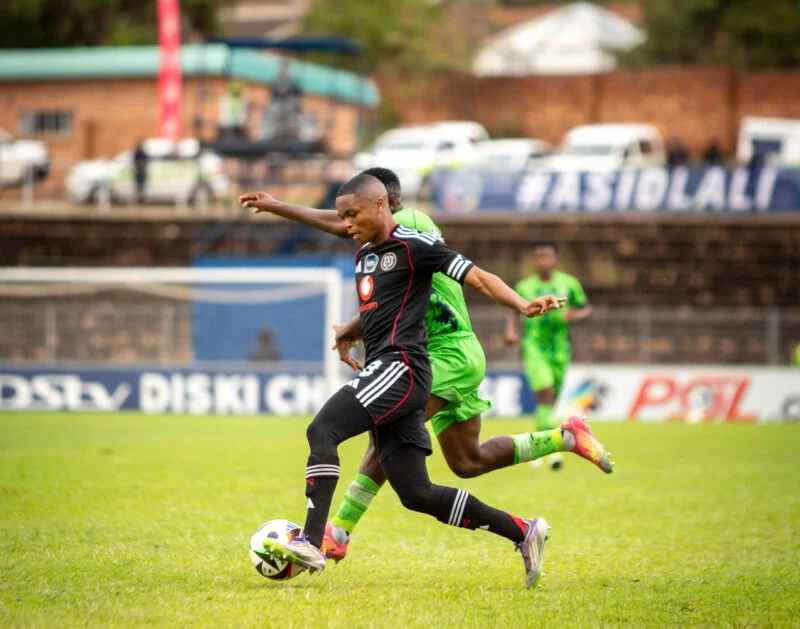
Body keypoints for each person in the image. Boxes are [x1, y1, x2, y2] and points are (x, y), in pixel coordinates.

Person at [240, 168, 613, 562]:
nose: (346, 225)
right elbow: (382, 287)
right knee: (463, 464)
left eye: (352, 214)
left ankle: (334, 533)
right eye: (344, 216)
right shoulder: (370, 245)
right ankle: (559, 450)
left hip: (440, 354)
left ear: (384, 203)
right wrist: (279, 208)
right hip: (431, 354)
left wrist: (522, 306)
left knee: (356, 428)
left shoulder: (412, 228)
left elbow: (472, 276)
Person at [506, 243, 592, 471]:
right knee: (545, 393)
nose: (543, 260)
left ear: (555, 259)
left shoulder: (569, 284)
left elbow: (586, 308)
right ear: (534, 261)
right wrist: (511, 331)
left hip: (560, 350)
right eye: (539, 257)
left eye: (547, 256)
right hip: (534, 348)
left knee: (549, 401)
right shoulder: (524, 286)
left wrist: (576, 315)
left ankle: (536, 445)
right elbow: (514, 310)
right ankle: (553, 452)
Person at [132, 139, 148, 205]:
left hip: (141, 171)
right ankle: (139, 199)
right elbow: (135, 162)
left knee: (141, 186)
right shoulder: (137, 152)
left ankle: (141, 199)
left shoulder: (143, 152)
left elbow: (146, 161)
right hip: (138, 171)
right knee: (138, 186)